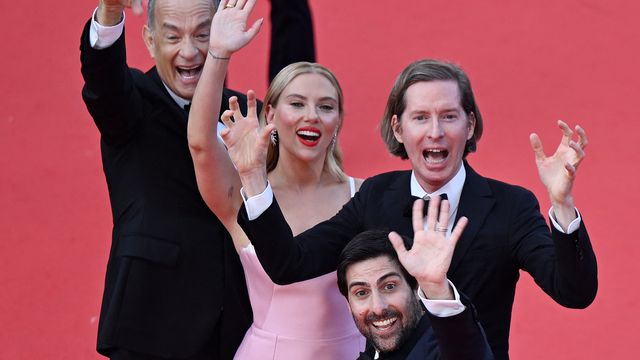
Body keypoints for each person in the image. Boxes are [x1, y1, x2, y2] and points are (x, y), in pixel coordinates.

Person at [227, 59, 598, 359]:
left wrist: (562, 205)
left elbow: (575, 293)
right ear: (398, 128)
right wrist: (253, 177)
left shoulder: (510, 206)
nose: (435, 131)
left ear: (469, 125)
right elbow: (289, 263)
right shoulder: (376, 196)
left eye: (449, 116)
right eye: (420, 117)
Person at [79, 0, 316, 358]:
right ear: (149, 39)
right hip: (154, 322)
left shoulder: (243, 114)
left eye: (203, 34)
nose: (189, 52)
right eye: (173, 36)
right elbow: (102, 77)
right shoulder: (130, 104)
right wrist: (110, 12)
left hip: (241, 324)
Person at [187, 1, 364, 358]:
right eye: (296, 104)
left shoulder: (363, 195)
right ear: (271, 114)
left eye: (326, 107)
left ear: (338, 123)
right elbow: (201, 145)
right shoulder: (242, 195)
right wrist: (218, 54)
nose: (311, 116)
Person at [337, 201, 493, 359]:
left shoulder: (439, 348)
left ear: (416, 287)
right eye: (361, 292)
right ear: (349, 305)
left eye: (389, 286)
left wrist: (437, 290)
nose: (378, 308)